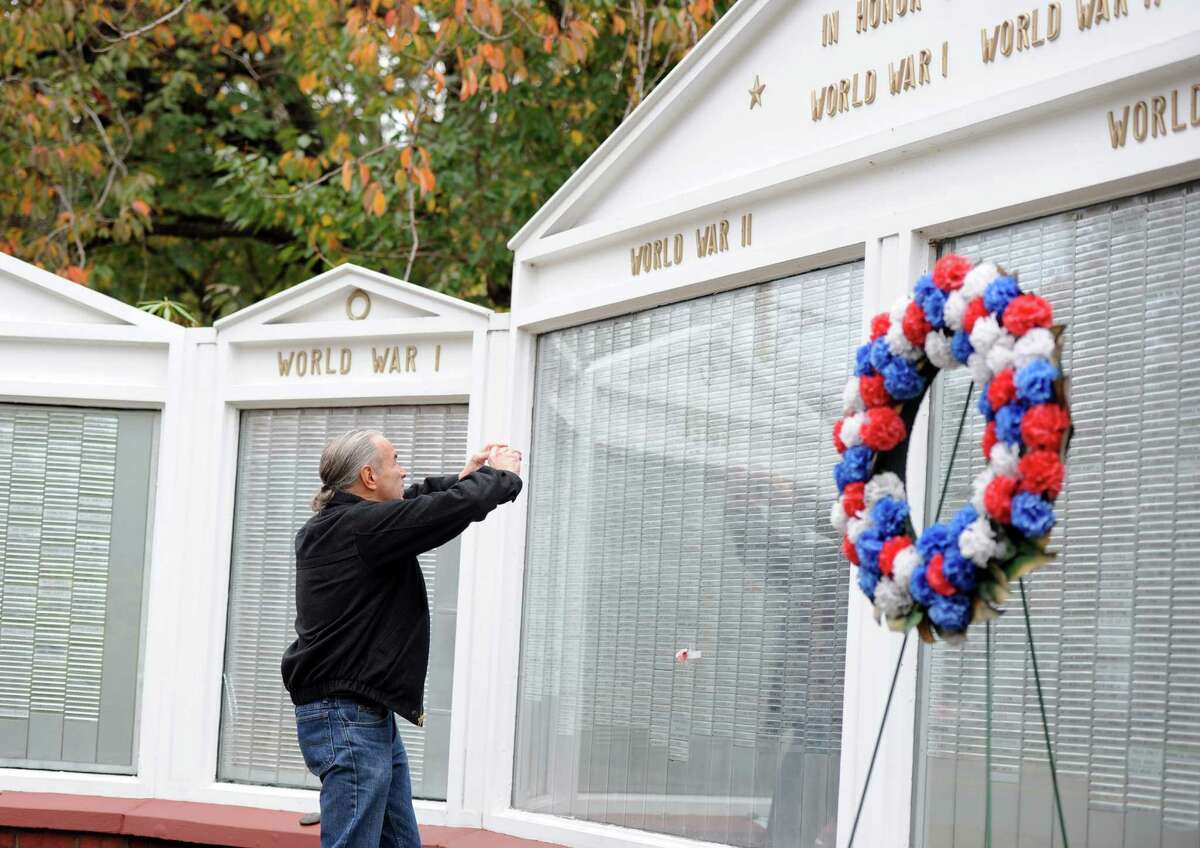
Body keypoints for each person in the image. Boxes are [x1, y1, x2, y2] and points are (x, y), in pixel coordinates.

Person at [281, 429, 523, 848]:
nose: (404, 469)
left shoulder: (343, 525)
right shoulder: (357, 528)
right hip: (348, 720)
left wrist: (464, 477)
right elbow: (436, 513)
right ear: (369, 477)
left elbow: (417, 503)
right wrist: (500, 478)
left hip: (363, 716)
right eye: (395, 461)